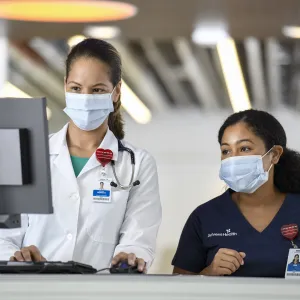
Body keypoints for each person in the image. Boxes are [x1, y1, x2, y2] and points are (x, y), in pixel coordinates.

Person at [0, 38, 162, 272]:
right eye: (76, 88)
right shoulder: (29, 155)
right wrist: (18, 258)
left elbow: (138, 239)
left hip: (98, 292)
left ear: (116, 92)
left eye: (97, 90)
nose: (85, 98)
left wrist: (129, 257)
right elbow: (4, 234)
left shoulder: (137, 164)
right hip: (33, 289)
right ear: (65, 86)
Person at [172, 109, 300, 278]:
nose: (233, 159)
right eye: (226, 151)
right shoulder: (204, 217)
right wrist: (208, 273)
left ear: (274, 155)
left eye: (244, 148)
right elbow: (178, 288)